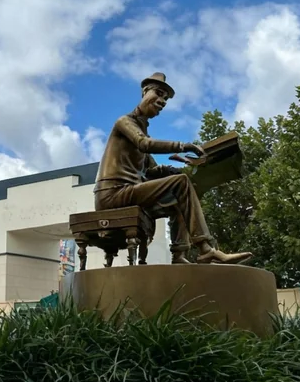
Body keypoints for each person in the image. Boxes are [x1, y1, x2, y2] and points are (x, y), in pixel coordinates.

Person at [94, 72, 252, 265]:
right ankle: (206, 248)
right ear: (145, 92)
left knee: (179, 198)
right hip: (112, 194)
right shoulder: (125, 122)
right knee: (181, 184)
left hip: (128, 193)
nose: (162, 101)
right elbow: (145, 144)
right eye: (158, 93)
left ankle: (179, 256)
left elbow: (152, 170)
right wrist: (182, 146)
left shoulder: (141, 132)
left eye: (166, 99)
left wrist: (183, 166)